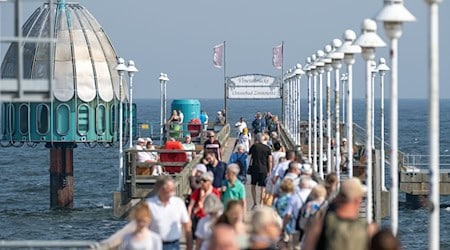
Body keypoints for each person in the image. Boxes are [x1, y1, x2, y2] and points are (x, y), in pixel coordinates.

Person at [302, 177, 377, 250]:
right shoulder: (369, 229)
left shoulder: (320, 223)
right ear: (358, 200)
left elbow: (308, 246)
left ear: (338, 197)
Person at [146, 176, 193, 250]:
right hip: (154, 245)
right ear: (161, 189)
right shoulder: (149, 204)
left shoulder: (178, 203)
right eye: (170, 189)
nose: (173, 191)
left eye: (173, 188)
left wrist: (189, 246)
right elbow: (142, 226)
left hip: (173, 245)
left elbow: (187, 225)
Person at [188, 172, 221, 239]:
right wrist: (189, 219)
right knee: (198, 238)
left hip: (210, 218)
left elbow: (217, 207)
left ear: (210, 182)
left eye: (204, 180)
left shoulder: (215, 192)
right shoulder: (197, 191)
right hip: (198, 217)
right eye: (201, 180)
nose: (202, 182)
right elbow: (191, 206)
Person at [248, 133, 272, 208]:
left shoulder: (254, 146)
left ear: (257, 139)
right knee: (263, 187)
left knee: (253, 186)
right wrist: (270, 170)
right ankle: (261, 203)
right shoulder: (267, 148)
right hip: (264, 169)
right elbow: (270, 160)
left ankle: (254, 202)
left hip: (254, 168)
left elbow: (249, 155)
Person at [273, 178, 295, 247]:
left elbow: (274, 213)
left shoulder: (277, 200)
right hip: (291, 225)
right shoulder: (293, 199)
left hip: (280, 224)